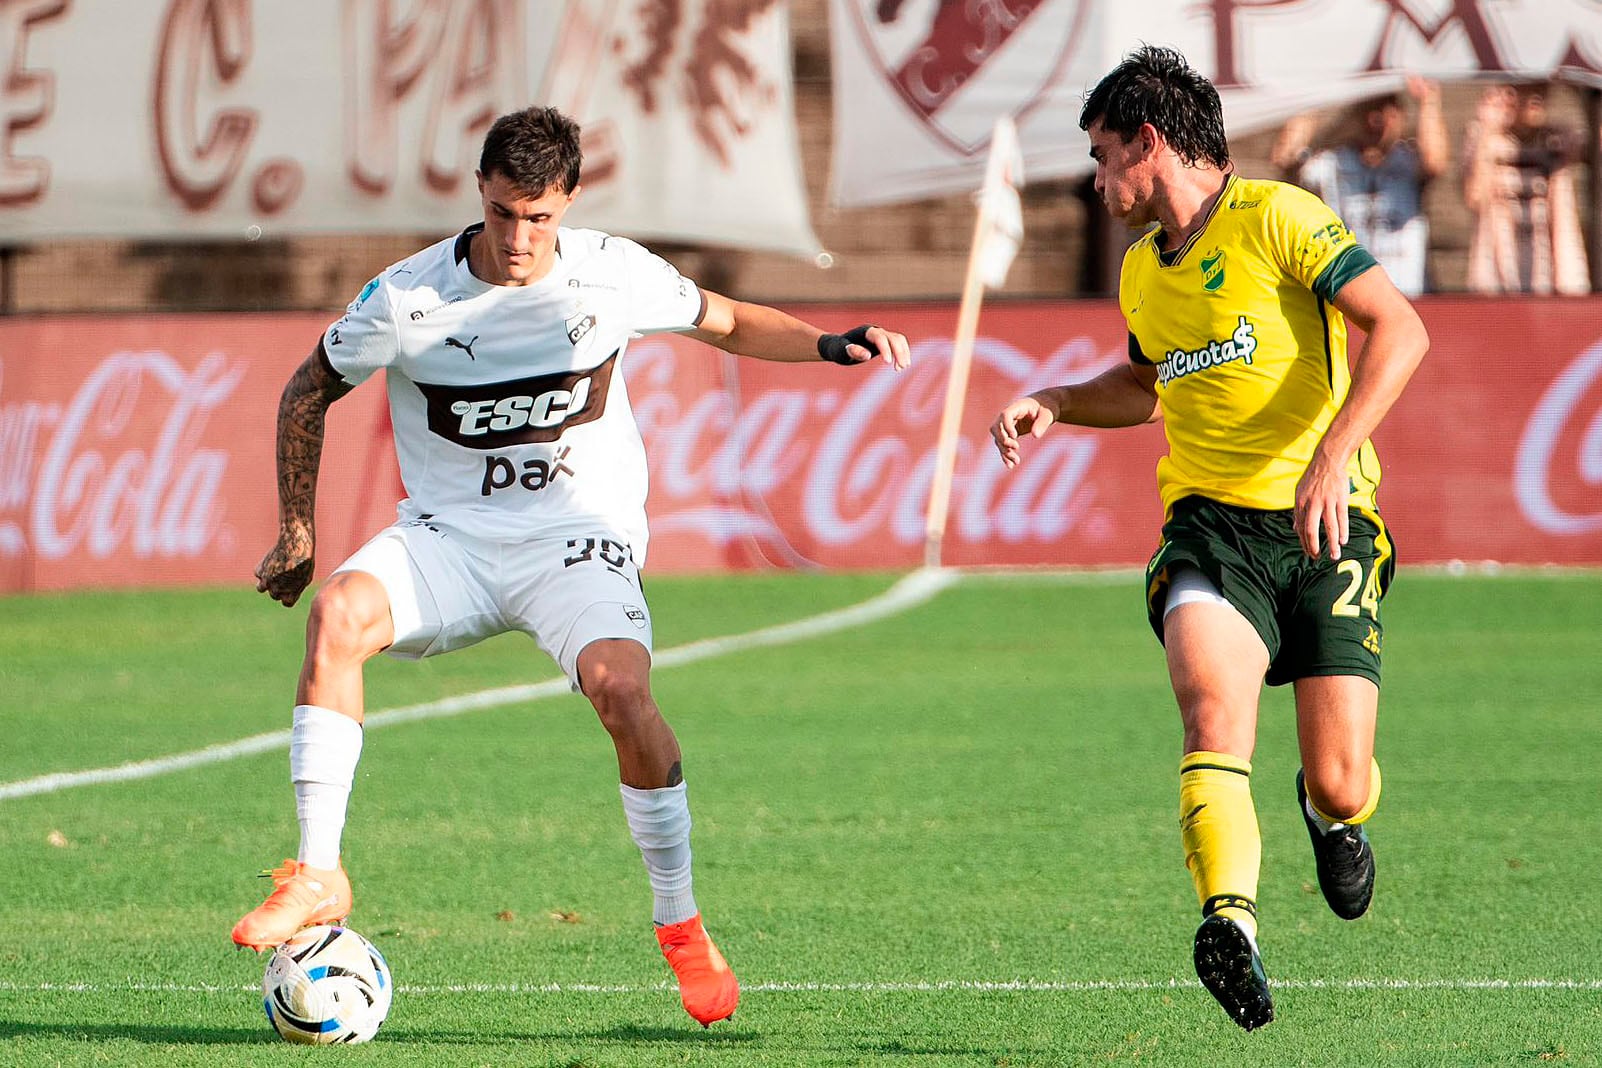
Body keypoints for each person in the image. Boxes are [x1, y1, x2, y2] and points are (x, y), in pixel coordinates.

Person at [231, 105, 912, 1028]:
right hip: (452, 540)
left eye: (540, 217)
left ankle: (680, 924)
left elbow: (725, 321)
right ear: (481, 192)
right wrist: (299, 531)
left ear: (570, 201)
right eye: (506, 212)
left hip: (574, 541)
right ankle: (318, 871)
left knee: (621, 694)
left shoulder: (612, 273)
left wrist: (831, 343)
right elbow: (307, 389)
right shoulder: (406, 297)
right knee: (339, 614)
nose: (520, 238)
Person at [991, 46, 1428, 1031]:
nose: (1099, 185)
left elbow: (1400, 330)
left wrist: (1332, 457)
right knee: (1210, 713)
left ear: (1150, 143)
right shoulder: (1144, 271)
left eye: (1104, 159)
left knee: (1339, 775)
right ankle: (1230, 922)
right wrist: (1057, 400)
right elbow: (1145, 388)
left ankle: (1331, 818)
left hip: (1329, 525)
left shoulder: (1280, 218)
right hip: (1209, 530)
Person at [1269, 76, 1448, 296]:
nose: (1376, 120)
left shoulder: (1408, 161)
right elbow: (1286, 159)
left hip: (1409, 293)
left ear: (1400, 115)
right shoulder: (1333, 163)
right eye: (1368, 109)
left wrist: (1428, 100)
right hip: (1350, 295)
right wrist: (1311, 98)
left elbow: (1436, 161)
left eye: (1386, 111)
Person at [1462, 82, 1590, 295]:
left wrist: (1579, 85)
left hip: (1552, 279)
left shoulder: (1558, 139)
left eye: (1542, 89)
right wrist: (1488, 130)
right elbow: (1475, 197)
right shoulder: (1485, 138)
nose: (1535, 97)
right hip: (1497, 280)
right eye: (1525, 88)